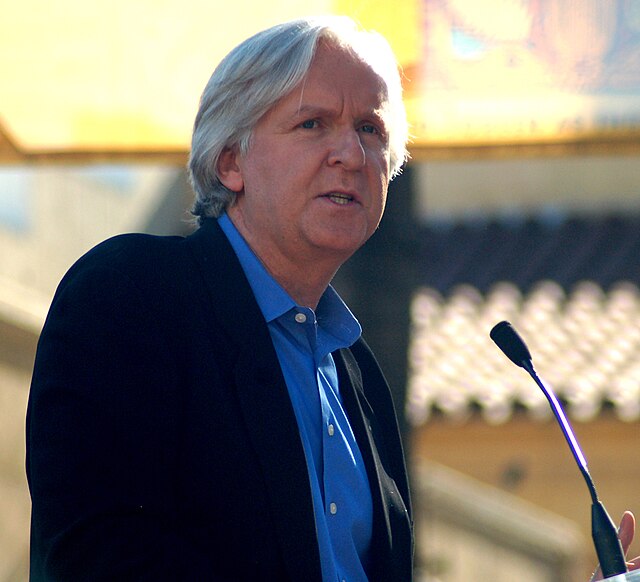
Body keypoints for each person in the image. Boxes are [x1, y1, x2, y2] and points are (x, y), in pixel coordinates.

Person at [26, 16, 413, 582]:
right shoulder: (133, 295)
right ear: (230, 161)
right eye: (312, 124)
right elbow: (97, 556)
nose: (352, 155)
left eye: (371, 130)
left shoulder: (357, 373)